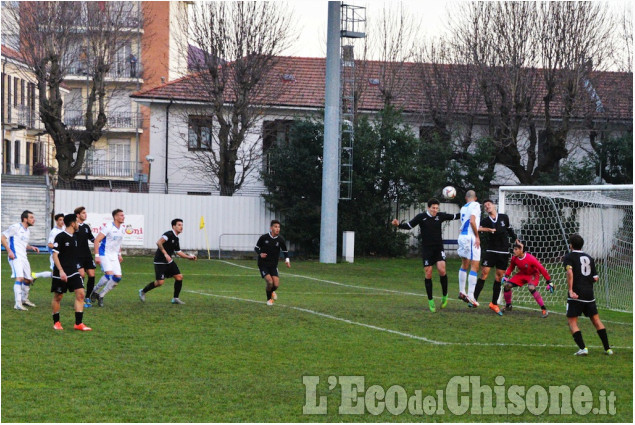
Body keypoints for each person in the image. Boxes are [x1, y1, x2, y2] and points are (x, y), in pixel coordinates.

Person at [392, 198, 460, 312]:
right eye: (433, 208)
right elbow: (409, 225)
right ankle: (430, 300)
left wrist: (468, 211)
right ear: (428, 208)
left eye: (437, 208)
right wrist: (398, 225)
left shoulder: (440, 216)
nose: (435, 210)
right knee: (428, 273)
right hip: (427, 249)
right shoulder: (421, 217)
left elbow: (454, 216)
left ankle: (445, 295)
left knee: (442, 270)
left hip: (438, 248)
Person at [564, 234, 613, 356]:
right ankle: (608, 349)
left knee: (572, 322)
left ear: (571, 245)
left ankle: (583, 348)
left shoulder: (569, 257)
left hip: (576, 293)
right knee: (596, 320)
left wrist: (571, 290)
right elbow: (595, 278)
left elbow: (569, 272)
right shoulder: (589, 258)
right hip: (589, 294)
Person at [474, 199, 518, 316]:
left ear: (494, 206)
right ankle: (473, 299)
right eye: (485, 206)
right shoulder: (485, 220)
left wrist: (516, 239)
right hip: (491, 251)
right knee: (484, 273)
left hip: (503, 252)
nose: (487, 207)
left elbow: (509, 230)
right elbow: (476, 227)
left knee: (499, 277)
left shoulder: (504, 217)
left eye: (488, 204)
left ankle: (494, 303)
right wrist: (487, 229)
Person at [139, 219, 197, 304]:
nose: (181, 227)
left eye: (182, 225)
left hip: (169, 261)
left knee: (179, 277)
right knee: (160, 282)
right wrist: (165, 254)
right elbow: (159, 243)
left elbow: (178, 252)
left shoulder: (176, 239)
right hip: (160, 261)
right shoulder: (168, 234)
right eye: (179, 225)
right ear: (174, 226)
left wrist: (188, 257)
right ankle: (143, 291)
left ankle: (175, 298)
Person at [50, 214, 92, 331]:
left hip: (73, 271)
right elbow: (55, 255)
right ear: (73, 223)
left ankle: (78, 323)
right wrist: (61, 271)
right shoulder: (60, 236)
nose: (78, 224)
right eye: (77, 222)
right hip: (61, 272)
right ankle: (56, 322)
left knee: (81, 294)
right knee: (58, 296)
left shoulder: (75, 237)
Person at [1, 210, 41, 310]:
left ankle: (24, 300)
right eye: (31, 217)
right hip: (15, 257)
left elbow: (22, 243)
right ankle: (17, 304)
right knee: (20, 278)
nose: (34, 219)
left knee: (28, 279)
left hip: (24, 257)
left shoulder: (27, 230)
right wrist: (9, 251)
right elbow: (2, 237)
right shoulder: (15, 227)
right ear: (25, 219)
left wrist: (31, 247)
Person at [502, 240, 553, 317]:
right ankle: (508, 305)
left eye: (516, 249)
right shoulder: (514, 258)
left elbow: (541, 268)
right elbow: (511, 267)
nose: (514, 251)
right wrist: (506, 276)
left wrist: (549, 281)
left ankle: (544, 309)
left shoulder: (531, 258)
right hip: (522, 274)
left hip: (533, 274)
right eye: (514, 249)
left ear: (521, 250)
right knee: (507, 286)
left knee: (531, 288)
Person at [90, 209, 125, 307]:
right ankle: (94, 290)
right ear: (115, 217)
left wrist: (119, 254)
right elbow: (97, 240)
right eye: (121, 215)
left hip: (114, 255)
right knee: (109, 275)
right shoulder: (108, 227)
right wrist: (97, 256)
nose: (123, 217)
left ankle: (101, 295)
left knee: (117, 277)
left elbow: (119, 243)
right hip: (104, 254)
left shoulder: (122, 228)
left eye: (123, 215)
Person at [254, 220, 290, 306]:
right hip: (263, 264)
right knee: (270, 282)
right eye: (275, 227)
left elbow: (285, 251)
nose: (277, 229)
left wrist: (287, 260)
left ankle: (272, 291)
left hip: (273, 265)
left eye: (279, 227)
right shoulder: (264, 237)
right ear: (271, 228)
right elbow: (256, 248)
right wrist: (260, 253)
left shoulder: (280, 240)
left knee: (276, 285)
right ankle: (269, 299)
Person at [457, 190, 481, 306]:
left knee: (464, 264)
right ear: (475, 198)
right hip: (470, 238)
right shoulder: (476, 205)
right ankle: (471, 296)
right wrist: (477, 236)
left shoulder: (463, 207)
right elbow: (472, 221)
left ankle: (462, 291)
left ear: (466, 198)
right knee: (475, 266)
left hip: (462, 236)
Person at [74, 207, 96, 308]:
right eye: (83, 213)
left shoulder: (86, 227)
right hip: (77, 255)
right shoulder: (74, 226)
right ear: (78, 215)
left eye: (85, 213)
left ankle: (87, 297)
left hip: (87, 255)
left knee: (91, 275)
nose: (85, 215)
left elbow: (92, 239)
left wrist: (100, 241)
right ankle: (80, 298)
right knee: (81, 275)